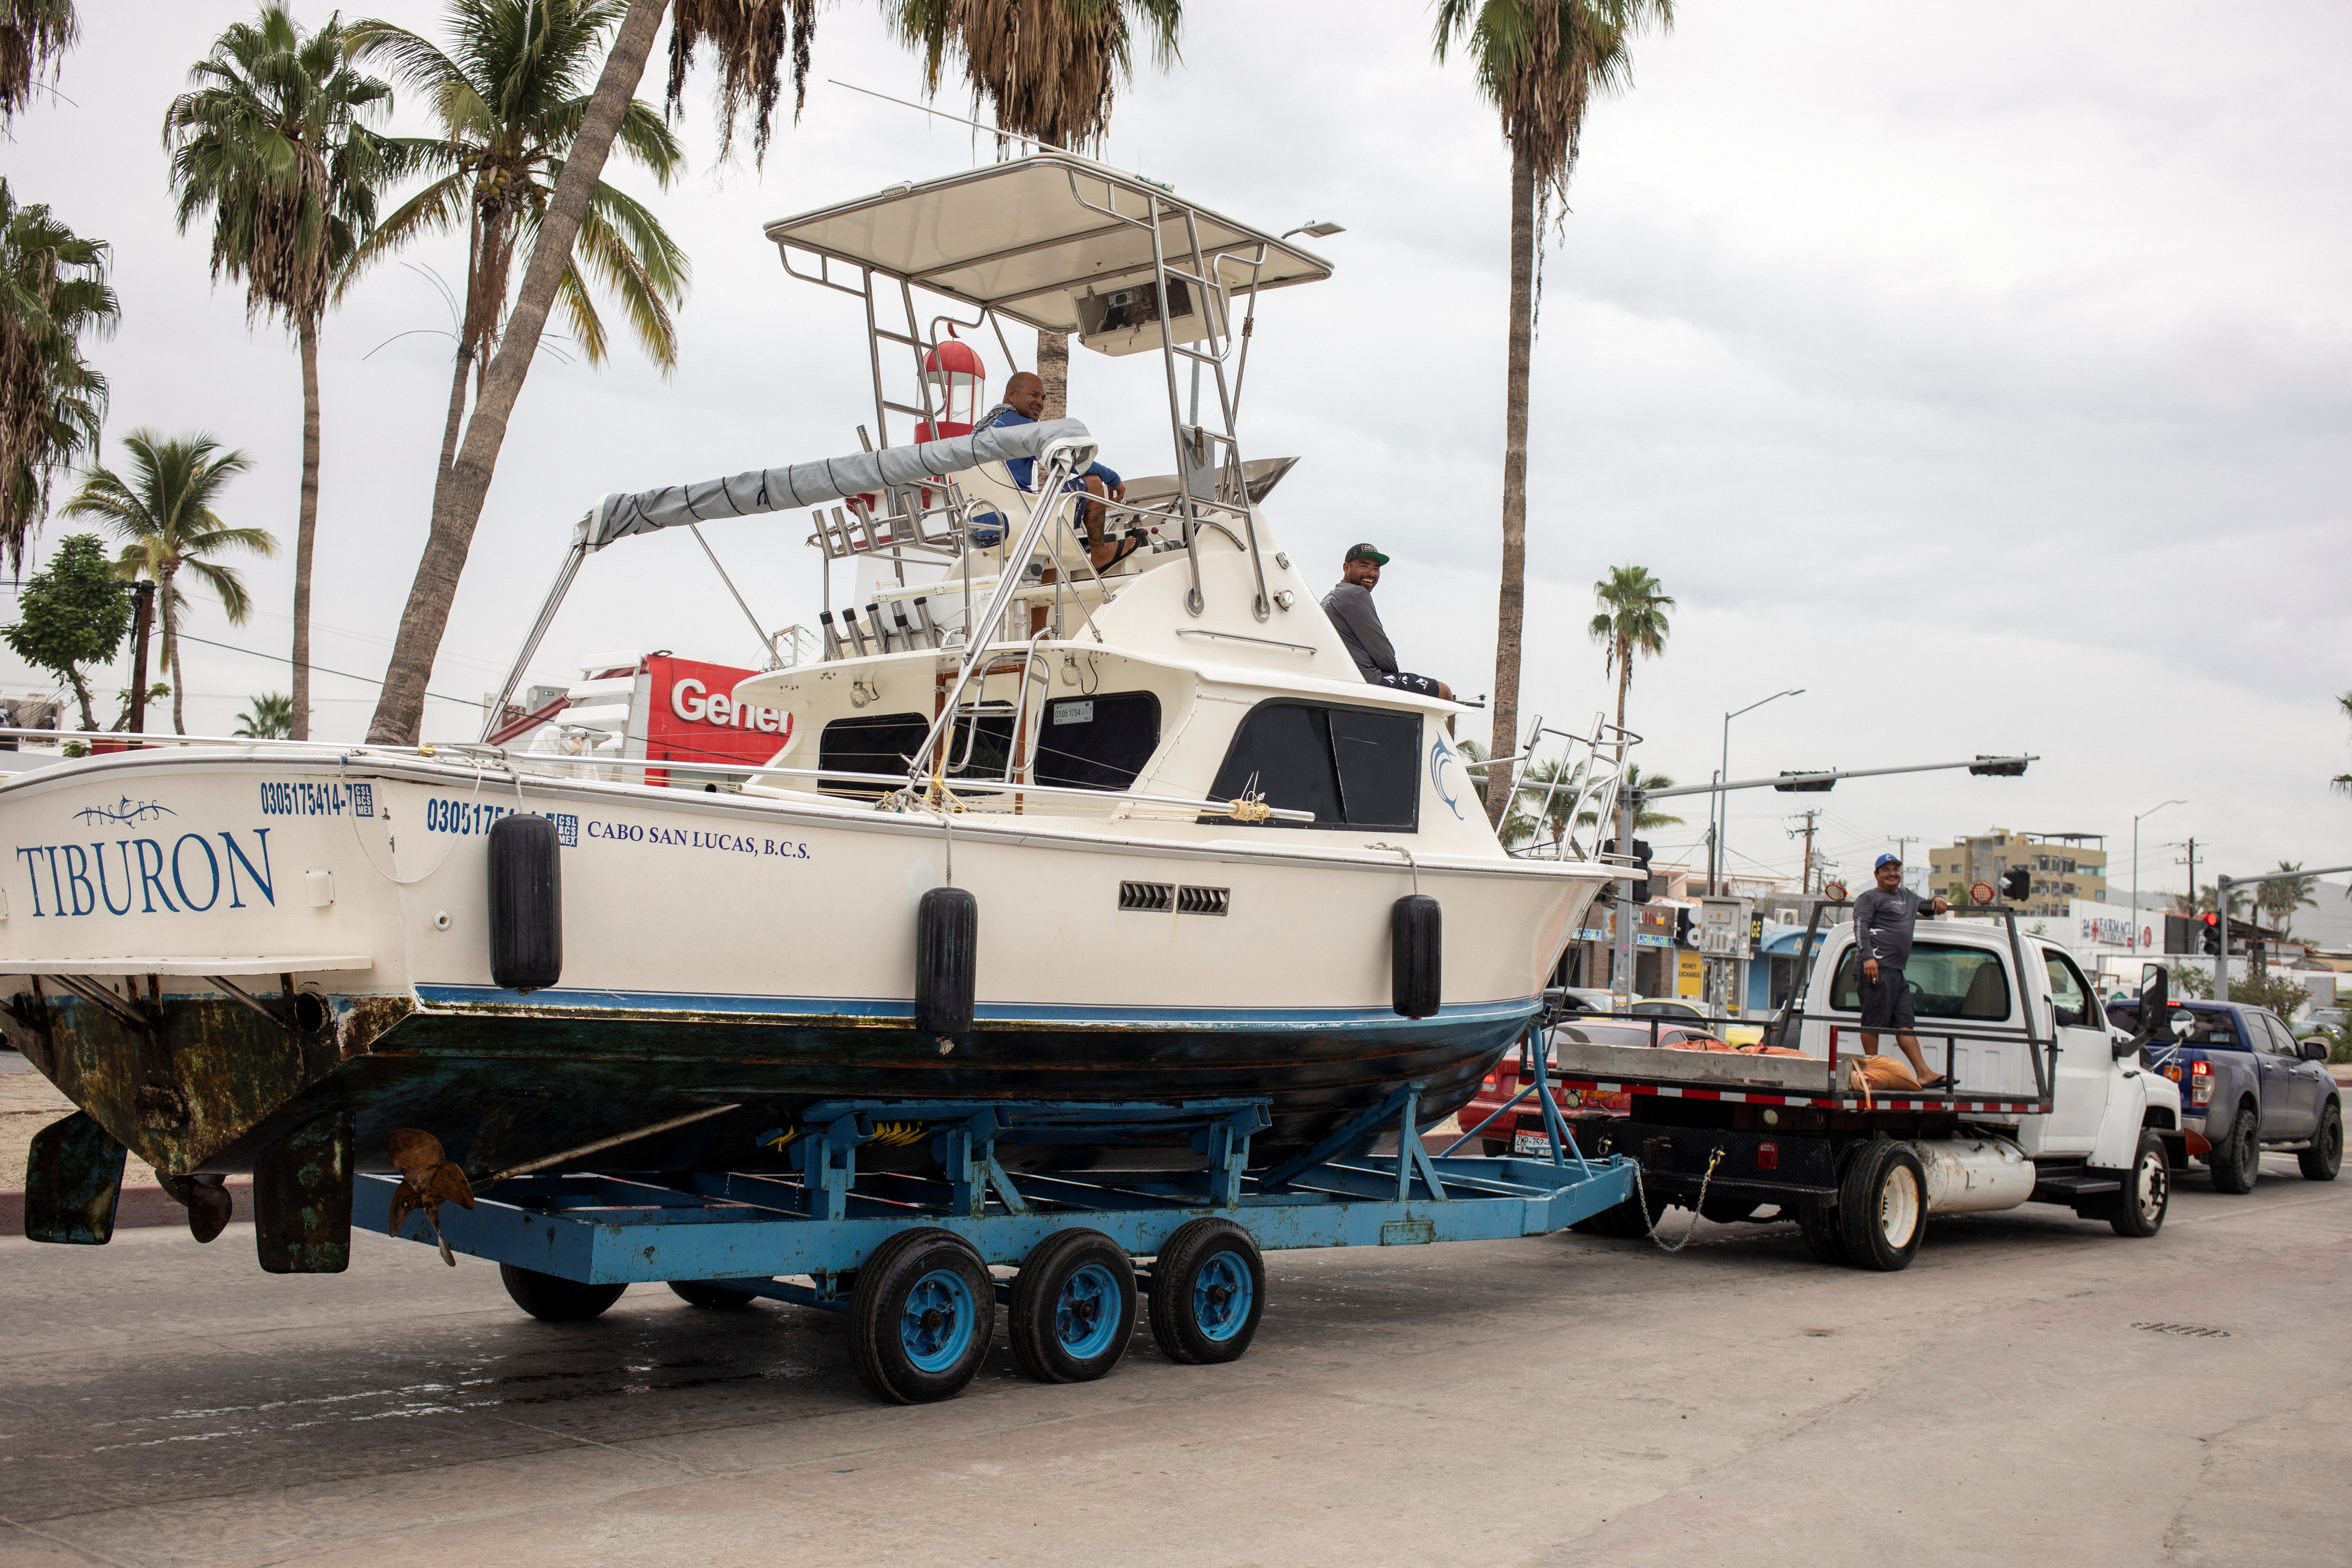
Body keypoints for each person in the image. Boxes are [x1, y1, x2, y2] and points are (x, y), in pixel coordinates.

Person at [975, 371, 1135, 570]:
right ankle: (1100, 554)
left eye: (1043, 398)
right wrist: (1112, 478)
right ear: (1012, 394)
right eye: (1034, 395)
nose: (1040, 403)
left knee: (1044, 568)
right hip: (1016, 521)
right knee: (1092, 482)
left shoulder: (981, 429)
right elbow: (1069, 460)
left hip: (982, 530)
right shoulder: (1021, 428)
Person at [1851, 852, 1953, 1089]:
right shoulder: (1869, 898)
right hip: (1876, 968)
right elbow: (1860, 926)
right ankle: (1872, 1073)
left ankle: (1924, 1073)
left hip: (1896, 971)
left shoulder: (1907, 896)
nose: (1892, 874)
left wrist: (1938, 899)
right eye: (1885, 870)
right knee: (1872, 1023)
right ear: (1876, 875)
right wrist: (1868, 958)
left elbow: (1927, 909)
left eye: (1895, 869)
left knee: (1905, 1023)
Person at [1320, 544, 1453, 700]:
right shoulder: (1356, 594)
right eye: (1364, 566)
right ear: (1346, 568)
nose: (1371, 573)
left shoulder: (1330, 598)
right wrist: (1394, 678)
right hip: (1367, 678)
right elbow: (1382, 652)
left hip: (1343, 675)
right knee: (1443, 692)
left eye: (1376, 569)